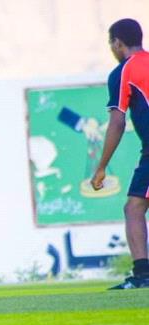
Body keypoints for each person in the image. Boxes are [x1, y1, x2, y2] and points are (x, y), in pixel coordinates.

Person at [90, 18, 149, 290]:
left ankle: (143, 275)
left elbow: (117, 122)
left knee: (134, 208)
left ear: (117, 43)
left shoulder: (124, 71)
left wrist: (101, 167)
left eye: (111, 43)